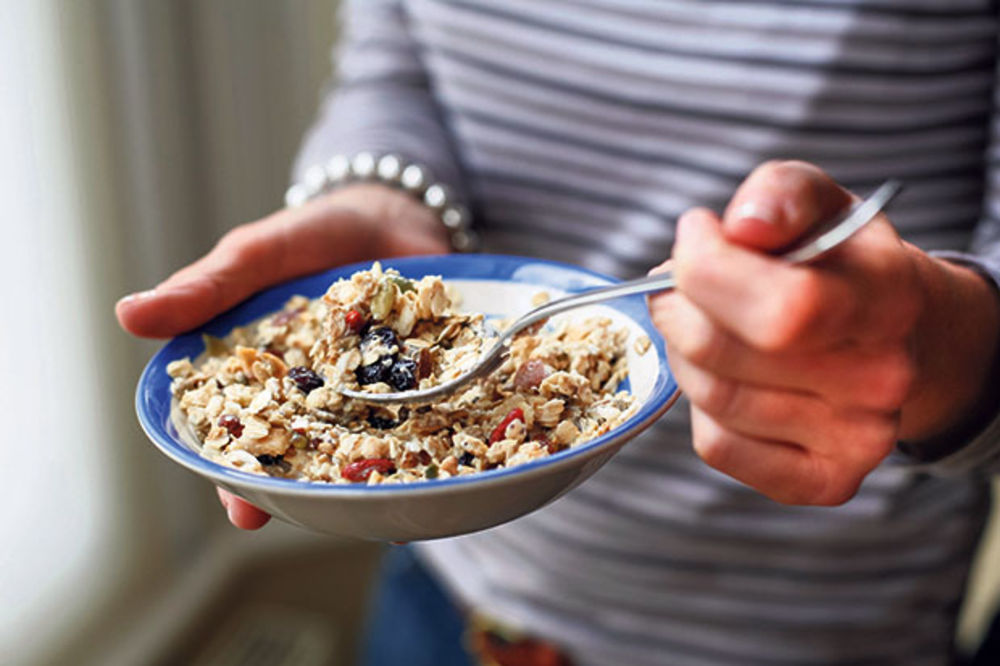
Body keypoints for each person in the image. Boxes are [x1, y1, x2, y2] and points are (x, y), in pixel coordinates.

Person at [117, 1, 1000, 664]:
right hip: (454, 585)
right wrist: (379, 196)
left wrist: (945, 348)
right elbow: (396, 65)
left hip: (811, 621)